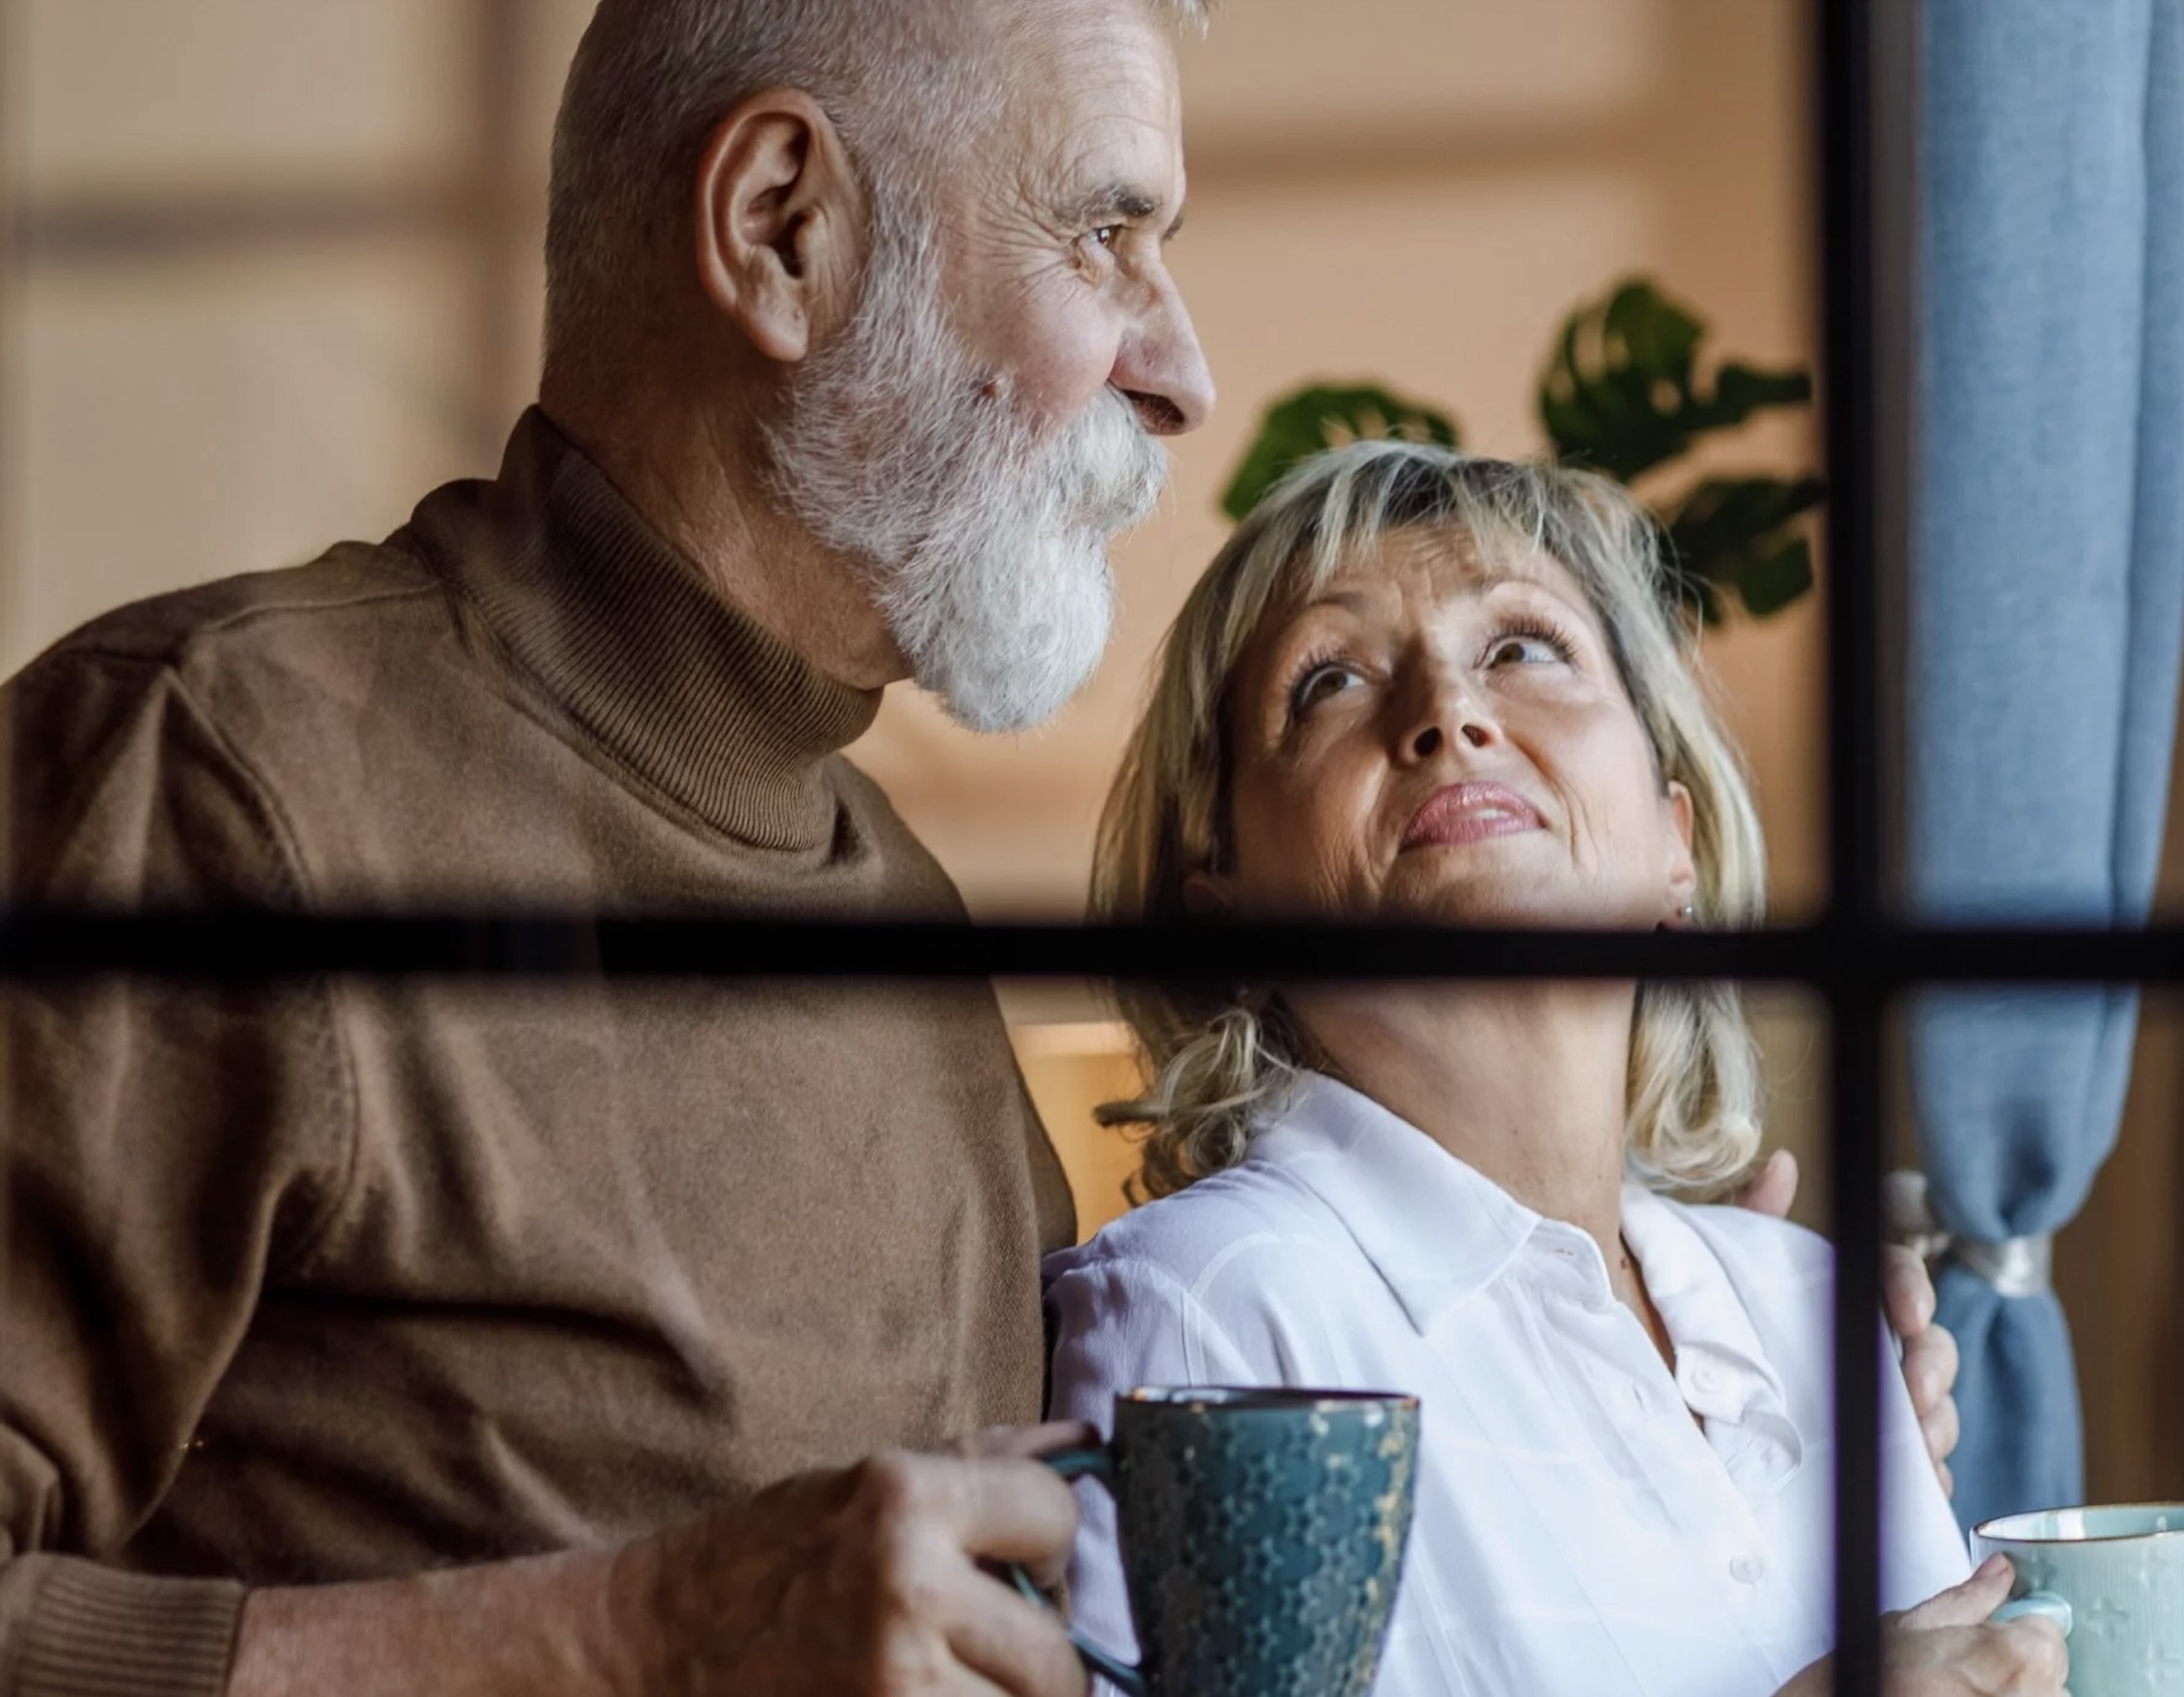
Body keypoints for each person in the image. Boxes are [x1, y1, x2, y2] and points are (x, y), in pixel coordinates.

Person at [0, 6, 1961, 1696]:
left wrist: (1675, 1362)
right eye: (1103, 233)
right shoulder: (211, 778)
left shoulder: (901, 919)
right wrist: (628, 1643)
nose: (1181, 370)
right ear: (783, 231)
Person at [1052, 441, 2184, 1697]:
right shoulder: (1207, 1309)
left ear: (1673, 842)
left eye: (1520, 647)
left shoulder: (1808, 1304)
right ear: (1214, 916)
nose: (1447, 711)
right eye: (1328, 679)